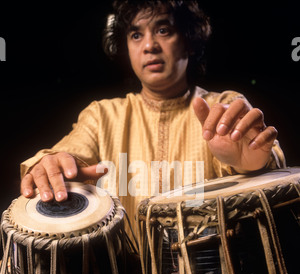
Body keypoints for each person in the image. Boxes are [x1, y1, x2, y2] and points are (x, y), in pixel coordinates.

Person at [20, 0, 285, 231]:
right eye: (136, 35)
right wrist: (50, 165)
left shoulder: (224, 107)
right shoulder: (102, 116)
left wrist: (255, 165)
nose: (149, 45)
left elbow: (272, 179)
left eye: (163, 30)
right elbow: (67, 153)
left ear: (189, 41)